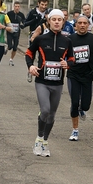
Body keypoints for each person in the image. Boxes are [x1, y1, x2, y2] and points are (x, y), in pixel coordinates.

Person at [25, 9, 75, 157]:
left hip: (58, 83)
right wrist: (31, 66)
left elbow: (71, 58)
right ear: (49, 21)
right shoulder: (41, 39)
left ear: (63, 22)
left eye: (59, 20)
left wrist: (68, 65)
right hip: (42, 81)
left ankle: (45, 142)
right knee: (45, 110)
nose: (57, 22)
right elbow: (29, 53)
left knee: (52, 115)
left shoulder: (67, 41)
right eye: (54, 20)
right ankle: (38, 139)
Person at [67, 15, 93, 141]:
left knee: (85, 105)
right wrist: (67, 65)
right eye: (80, 23)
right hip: (73, 75)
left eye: (85, 23)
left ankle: (81, 109)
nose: (83, 25)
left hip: (88, 76)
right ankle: (75, 130)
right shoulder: (70, 39)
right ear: (76, 25)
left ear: (88, 25)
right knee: (74, 103)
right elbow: (63, 57)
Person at [21, 0, 49, 82]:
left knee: (44, 55)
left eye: (45, 5)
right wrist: (34, 20)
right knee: (32, 54)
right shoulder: (32, 12)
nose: (44, 7)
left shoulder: (48, 13)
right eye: (42, 4)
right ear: (38, 4)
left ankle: (45, 73)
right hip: (33, 36)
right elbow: (25, 23)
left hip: (44, 36)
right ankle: (30, 70)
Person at [5, 1, 25, 66]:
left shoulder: (21, 15)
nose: (17, 8)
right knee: (10, 46)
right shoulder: (9, 13)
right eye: (16, 6)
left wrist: (22, 24)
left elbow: (24, 23)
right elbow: (5, 21)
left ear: (20, 7)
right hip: (10, 32)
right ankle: (7, 48)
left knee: (15, 47)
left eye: (18, 6)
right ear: (13, 7)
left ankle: (11, 59)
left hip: (17, 32)